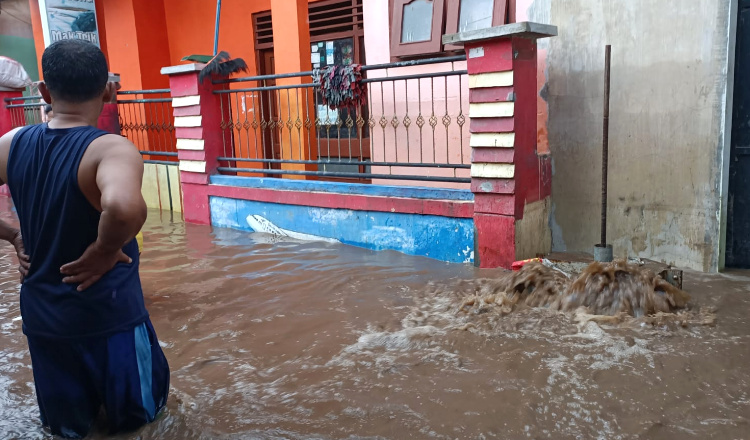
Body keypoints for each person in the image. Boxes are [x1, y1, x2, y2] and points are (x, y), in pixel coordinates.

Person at [0, 39, 169, 438]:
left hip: (43, 320)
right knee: (142, 424)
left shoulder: (11, 144)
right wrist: (104, 250)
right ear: (109, 91)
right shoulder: (109, 150)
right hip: (108, 319)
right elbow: (126, 208)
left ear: (44, 91)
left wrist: (12, 236)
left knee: (68, 430)